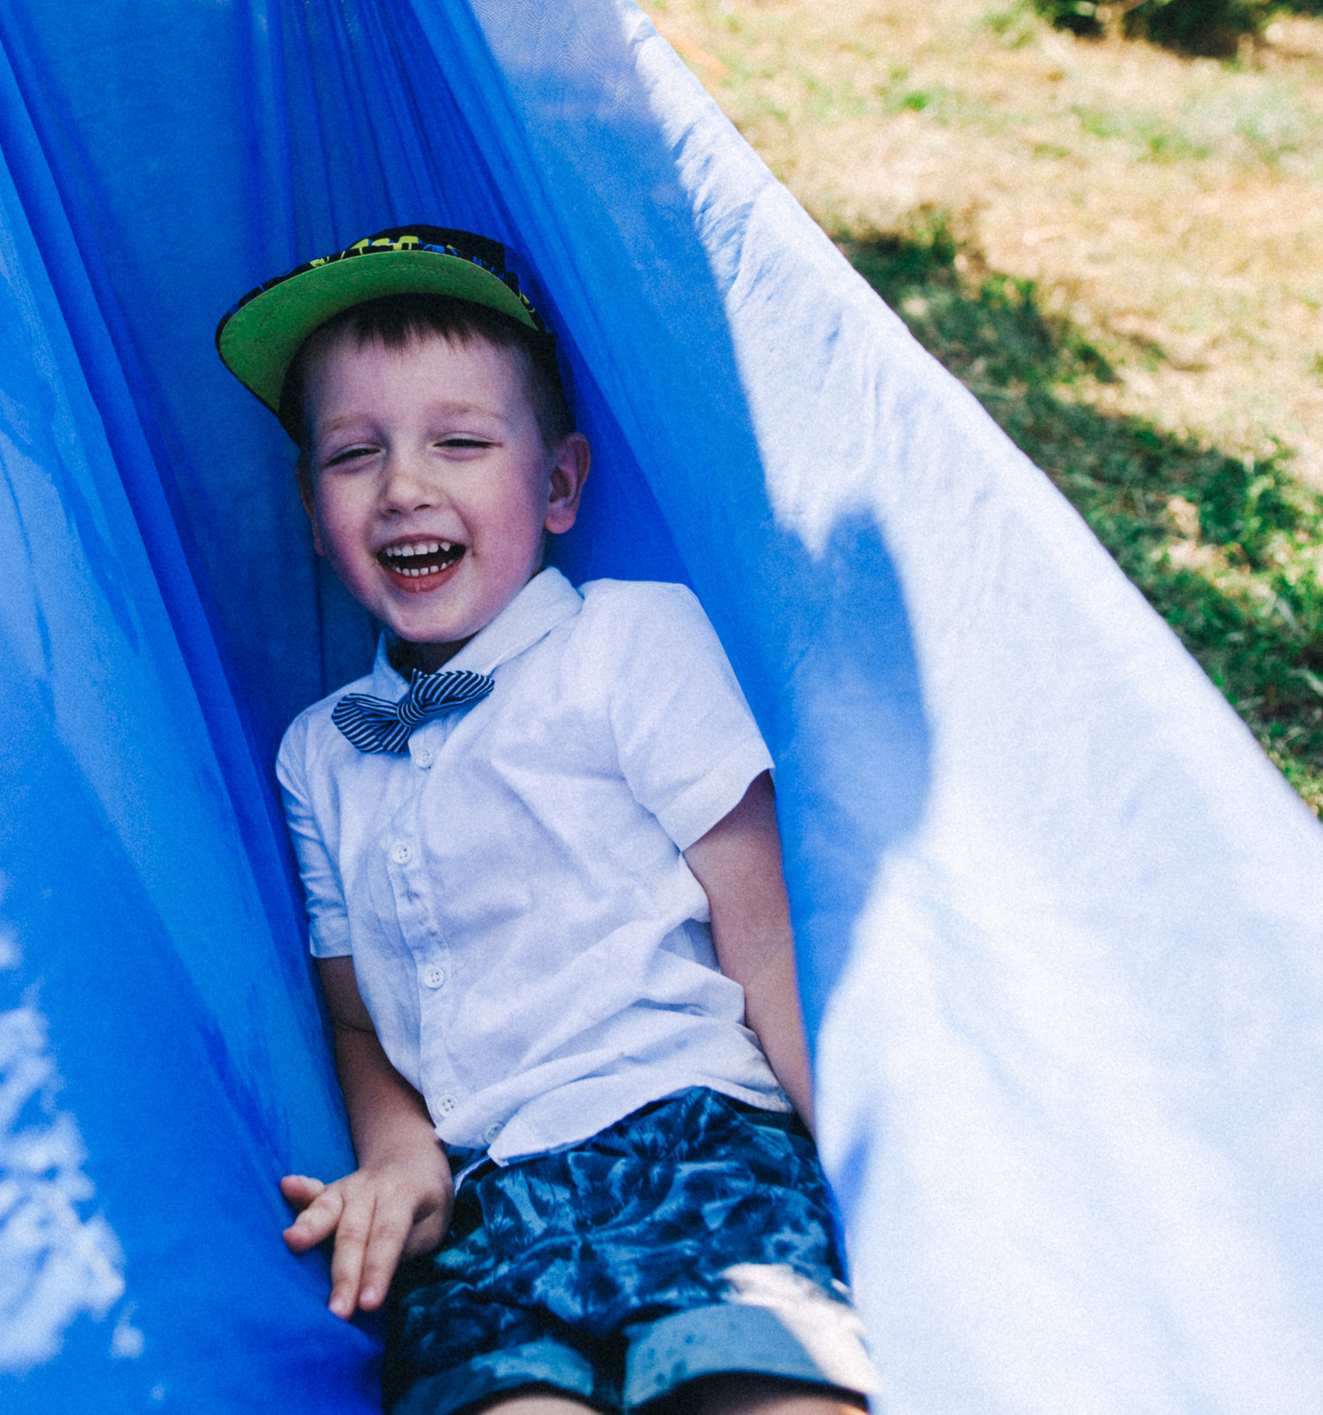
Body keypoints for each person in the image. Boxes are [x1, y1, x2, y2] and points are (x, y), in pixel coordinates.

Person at [215, 227, 878, 1415]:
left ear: (559, 483)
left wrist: (868, 1174)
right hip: (485, 1211)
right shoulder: (318, 753)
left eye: (460, 443)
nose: (404, 485)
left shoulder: (629, 641)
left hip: (691, 1139)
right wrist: (400, 1151)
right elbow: (357, 1023)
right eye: (353, 454)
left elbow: (762, 931)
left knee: (767, 1395)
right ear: (312, 510)